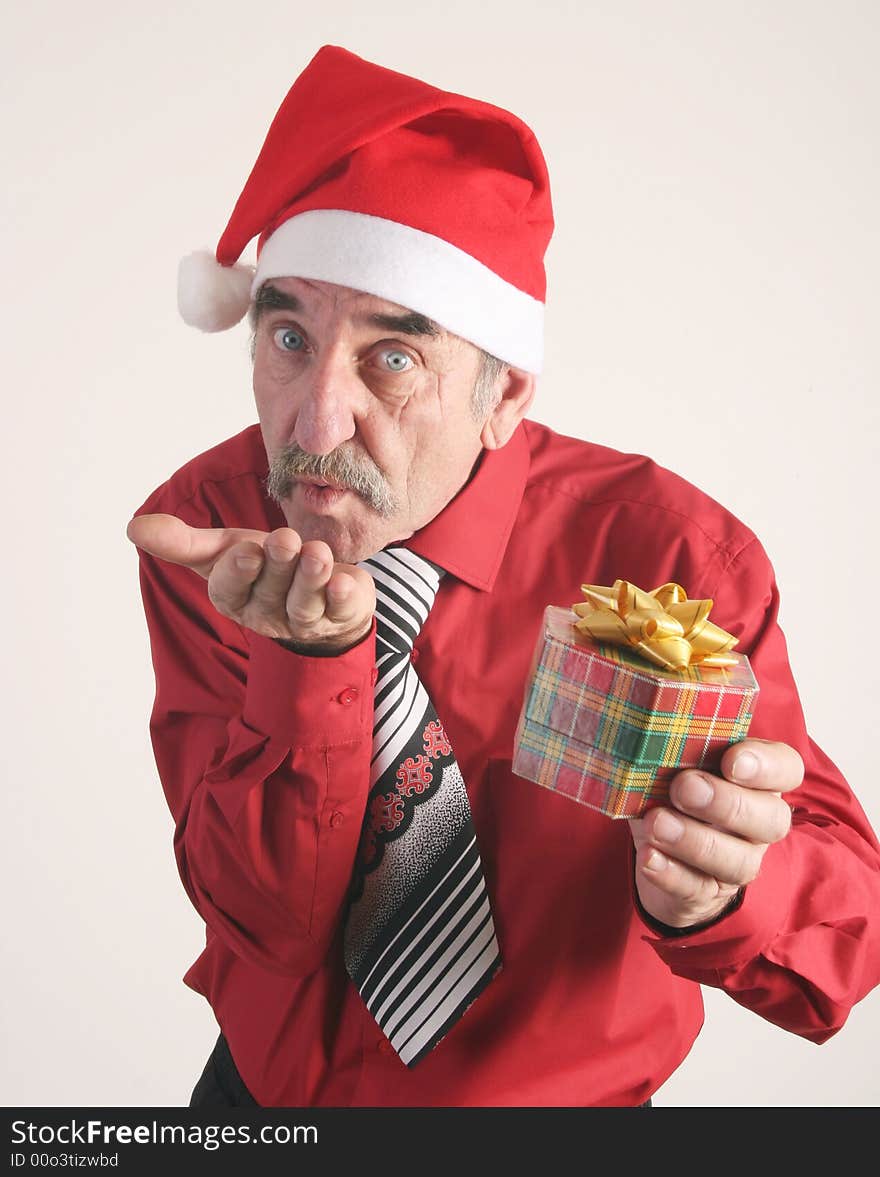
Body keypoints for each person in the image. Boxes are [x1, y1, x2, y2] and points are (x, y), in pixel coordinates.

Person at [127, 44, 880, 1108]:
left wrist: (723, 888)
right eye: (288, 335)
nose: (315, 420)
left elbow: (843, 949)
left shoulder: (670, 561)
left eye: (391, 357)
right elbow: (265, 924)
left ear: (504, 396)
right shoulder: (216, 527)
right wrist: (312, 666)